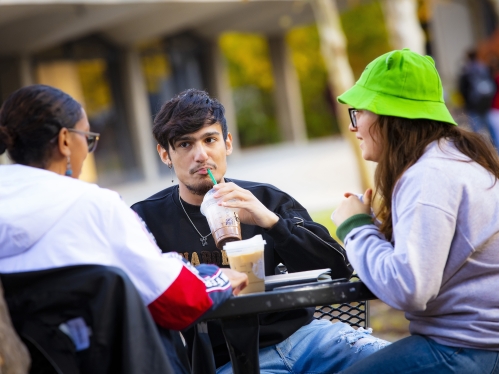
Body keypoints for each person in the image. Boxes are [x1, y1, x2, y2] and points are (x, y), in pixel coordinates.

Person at [131, 88, 389, 374]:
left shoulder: (266, 199)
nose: (201, 155)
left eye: (210, 139)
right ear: (165, 154)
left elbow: (337, 269)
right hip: (227, 360)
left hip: (308, 339)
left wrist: (272, 222)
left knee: (399, 364)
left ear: (227, 143)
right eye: (184, 144)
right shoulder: (145, 219)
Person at [0, 84, 249, 373]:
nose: (88, 152)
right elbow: (174, 298)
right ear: (66, 141)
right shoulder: (95, 205)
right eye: (89, 139)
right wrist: (218, 278)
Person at [332, 48, 499, 373]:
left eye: (360, 112)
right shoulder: (454, 159)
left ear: (389, 116)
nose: (354, 126)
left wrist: (355, 226)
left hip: (467, 348)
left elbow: (410, 289)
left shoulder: (428, 176)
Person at [458, 48, 496, 137]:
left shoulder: (466, 70)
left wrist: (466, 103)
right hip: (486, 103)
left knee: (476, 131)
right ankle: (496, 148)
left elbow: (463, 88)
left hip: (473, 105)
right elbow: (492, 84)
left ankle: (480, 149)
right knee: (491, 129)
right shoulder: (484, 67)